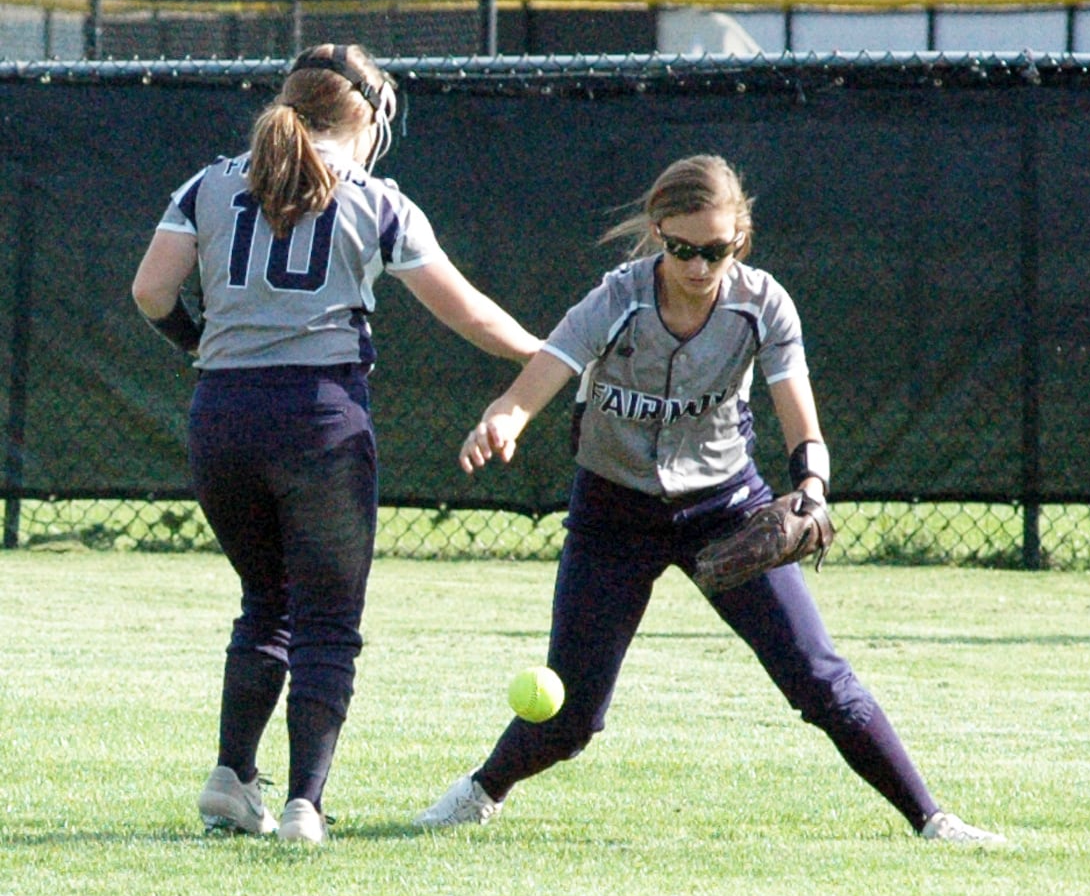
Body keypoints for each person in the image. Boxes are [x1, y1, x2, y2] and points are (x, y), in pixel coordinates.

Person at [414, 154, 1004, 844]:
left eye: (715, 250)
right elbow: (546, 370)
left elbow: (801, 423)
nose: (698, 266)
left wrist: (811, 490)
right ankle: (481, 791)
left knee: (817, 677)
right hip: (612, 513)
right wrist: (505, 418)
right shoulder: (618, 297)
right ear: (659, 233)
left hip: (723, 507)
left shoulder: (762, 305)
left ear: (739, 240)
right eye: (682, 249)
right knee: (572, 713)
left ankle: (932, 819)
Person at [131, 43, 542, 844]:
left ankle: (230, 778)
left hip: (222, 415)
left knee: (266, 602)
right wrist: (546, 357)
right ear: (369, 114)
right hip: (318, 417)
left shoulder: (209, 181)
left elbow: (151, 291)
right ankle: (303, 805)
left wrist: (200, 347)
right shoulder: (376, 199)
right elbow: (468, 314)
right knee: (326, 620)